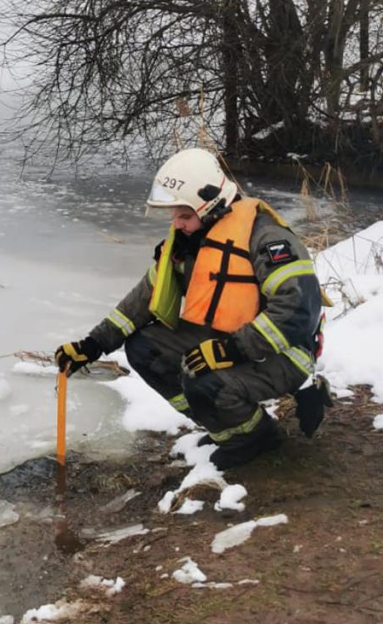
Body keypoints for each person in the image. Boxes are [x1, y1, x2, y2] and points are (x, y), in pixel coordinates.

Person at [55, 147, 326, 470]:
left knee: (203, 377)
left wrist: (230, 350)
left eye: (184, 216)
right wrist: (94, 344)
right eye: (174, 217)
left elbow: (298, 310)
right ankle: (225, 425)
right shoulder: (190, 241)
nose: (178, 224)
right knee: (144, 349)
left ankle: (255, 437)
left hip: (285, 353)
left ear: (211, 204)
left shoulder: (267, 239)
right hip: (227, 342)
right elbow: (145, 298)